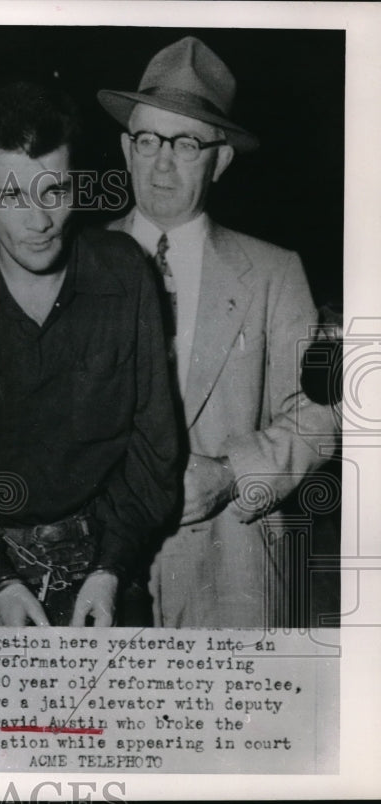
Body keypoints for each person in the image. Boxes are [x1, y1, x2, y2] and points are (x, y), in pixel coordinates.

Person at [0, 80, 179, 627]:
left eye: (54, 192)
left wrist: (110, 570)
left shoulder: (124, 272)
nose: (39, 221)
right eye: (12, 196)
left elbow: (156, 447)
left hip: (107, 567)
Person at [98, 36, 338, 627]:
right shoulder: (77, 265)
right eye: (148, 139)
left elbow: (320, 418)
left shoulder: (275, 273)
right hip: (95, 578)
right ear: (126, 149)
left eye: (186, 143)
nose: (161, 162)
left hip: (232, 576)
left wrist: (231, 475)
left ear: (220, 159)